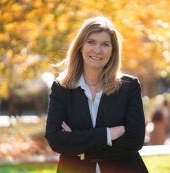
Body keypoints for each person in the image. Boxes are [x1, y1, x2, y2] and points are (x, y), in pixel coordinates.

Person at [45, 16, 149, 173]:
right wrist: (107, 135)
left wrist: (80, 149)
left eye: (105, 44)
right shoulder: (61, 87)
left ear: (113, 51)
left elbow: (134, 140)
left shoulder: (129, 87)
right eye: (91, 42)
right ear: (80, 46)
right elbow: (56, 139)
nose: (97, 50)